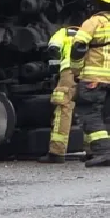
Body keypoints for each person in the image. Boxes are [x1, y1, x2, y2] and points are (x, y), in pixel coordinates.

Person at [68, 0, 110, 168]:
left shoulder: (92, 22)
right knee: (106, 115)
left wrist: (76, 69)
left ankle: (103, 152)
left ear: (97, 3)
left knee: (89, 114)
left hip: (93, 78)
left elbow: (78, 47)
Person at [38, 23, 80, 164]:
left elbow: (53, 48)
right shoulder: (89, 30)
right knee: (89, 110)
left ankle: (57, 152)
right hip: (90, 73)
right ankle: (93, 151)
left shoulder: (63, 32)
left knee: (63, 109)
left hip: (69, 71)